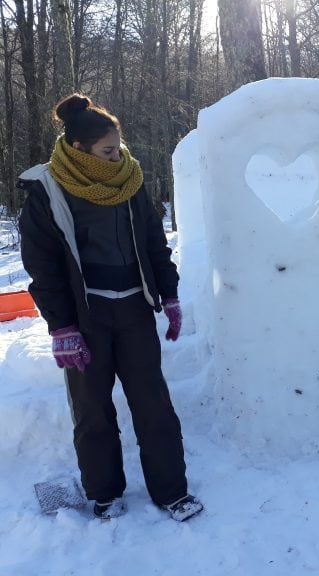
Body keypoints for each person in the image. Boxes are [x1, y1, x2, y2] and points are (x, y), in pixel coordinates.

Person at [18, 94, 203, 521]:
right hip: (86, 321)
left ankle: (171, 491)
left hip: (135, 311)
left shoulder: (129, 180)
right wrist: (61, 327)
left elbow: (155, 245)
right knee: (92, 410)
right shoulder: (47, 189)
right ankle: (104, 492)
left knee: (154, 404)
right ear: (78, 149)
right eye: (107, 151)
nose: (117, 156)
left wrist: (168, 294)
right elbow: (42, 268)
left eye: (118, 147)